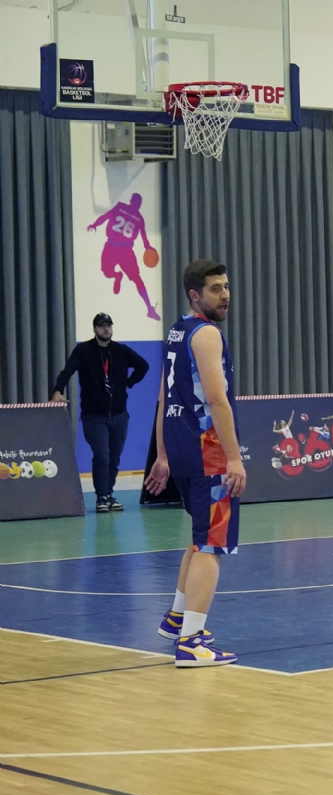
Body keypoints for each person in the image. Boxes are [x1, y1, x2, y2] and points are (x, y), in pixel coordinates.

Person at [144, 259, 243, 667]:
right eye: (215, 289)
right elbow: (217, 400)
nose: (225, 295)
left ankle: (177, 618)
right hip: (208, 451)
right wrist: (234, 457)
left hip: (182, 449)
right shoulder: (206, 335)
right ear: (194, 295)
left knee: (200, 535)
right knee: (211, 544)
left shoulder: (176, 331)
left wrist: (163, 454)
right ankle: (191, 642)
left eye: (226, 286)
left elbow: (164, 397)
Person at [52, 312, 149, 512]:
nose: (106, 329)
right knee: (102, 455)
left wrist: (128, 383)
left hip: (119, 414)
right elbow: (67, 371)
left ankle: (109, 494)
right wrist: (57, 390)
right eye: (102, 326)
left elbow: (143, 366)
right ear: (95, 329)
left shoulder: (120, 350)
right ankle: (101, 496)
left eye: (108, 325)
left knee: (114, 457)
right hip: (94, 416)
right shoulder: (83, 351)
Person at [87, 193, 160, 321]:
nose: (137, 205)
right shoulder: (135, 216)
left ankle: (149, 308)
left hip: (123, 250)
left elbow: (105, 217)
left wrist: (95, 224)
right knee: (107, 272)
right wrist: (95, 224)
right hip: (115, 248)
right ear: (133, 202)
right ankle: (117, 276)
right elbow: (106, 216)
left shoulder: (124, 209)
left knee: (137, 278)